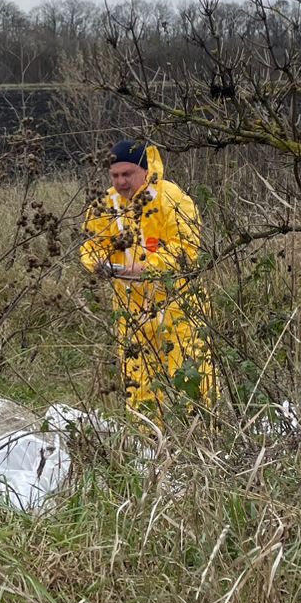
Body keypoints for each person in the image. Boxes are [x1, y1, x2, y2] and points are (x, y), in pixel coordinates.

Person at [81, 140, 214, 414]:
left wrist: (146, 268)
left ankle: (201, 439)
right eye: (115, 176)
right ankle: (149, 443)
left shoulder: (171, 199)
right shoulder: (104, 205)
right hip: (130, 308)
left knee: (192, 376)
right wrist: (97, 264)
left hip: (178, 305)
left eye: (127, 174)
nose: (120, 182)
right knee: (138, 381)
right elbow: (92, 245)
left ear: (144, 170)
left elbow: (187, 249)